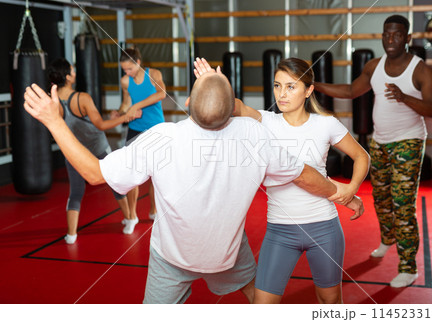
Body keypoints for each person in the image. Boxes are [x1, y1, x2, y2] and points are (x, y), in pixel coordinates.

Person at [23, 69, 363, 303]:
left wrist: (54, 121)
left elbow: (95, 174)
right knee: (259, 301)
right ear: (232, 110)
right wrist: (342, 194)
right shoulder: (255, 136)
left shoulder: (162, 138)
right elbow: (304, 174)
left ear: (187, 104)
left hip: (171, 256)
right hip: (226, 254)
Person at [193, 57, 369, 304]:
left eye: (291, 86)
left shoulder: (326, 124)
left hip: (324, 228)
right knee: (263, 306)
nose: (282, 94)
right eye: (277, 86)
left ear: (308, 90)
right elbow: (235, 106)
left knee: (329, 301)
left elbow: (362, 156)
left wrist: (351, 190)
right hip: (280, 231)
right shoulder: (267, 122)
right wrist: (212, 82)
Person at [314, 15, 432, 288]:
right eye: (386, 34)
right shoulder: (375, 67)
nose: (390, 39)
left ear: (408, 39)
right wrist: (315, 86)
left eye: (397, 35)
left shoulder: (421, 71)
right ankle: (388, 239)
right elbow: (350, 90)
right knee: (381, 200)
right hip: (379, 142)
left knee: (402, 205)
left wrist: (405, 97)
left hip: (409, 141)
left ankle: (409, 267)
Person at [47, 58, 141, 243]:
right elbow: (101, 124)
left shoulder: (53, 101)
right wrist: (126, 117)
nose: (75, 74)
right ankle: (131, 218)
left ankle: (71, 234)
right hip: (96, 146)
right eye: (72, 71)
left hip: (74, 150)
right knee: (114, 182)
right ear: (67, 77)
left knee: (75, 191)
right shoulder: (82, 98)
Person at [118, 47, 166, 233]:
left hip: (155, 128)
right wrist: (121, 112)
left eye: (129, 69)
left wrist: (137, 105)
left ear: (138, 62)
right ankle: (131, 216)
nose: (127, 73)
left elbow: (161, 94)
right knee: (131, 174)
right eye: (124, 70)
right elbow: (125, 104)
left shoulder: (153, 74)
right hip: (135, 130)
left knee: (155, 176)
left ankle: (154, 211)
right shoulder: (125, 81)